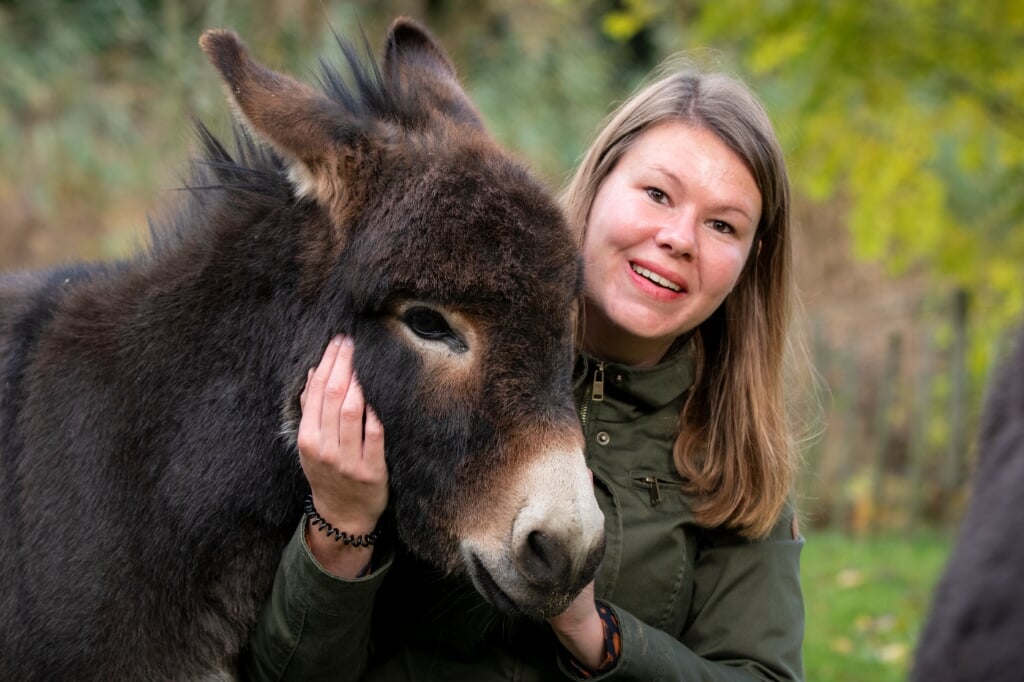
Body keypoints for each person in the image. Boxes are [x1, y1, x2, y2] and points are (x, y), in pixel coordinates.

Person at [240, 58, 806, 681]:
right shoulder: (412, 358)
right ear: (598, 183)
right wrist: (341, 524)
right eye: (657, 194)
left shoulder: (735, 455)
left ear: (750, 260)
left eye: (722, 224)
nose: (679, 238)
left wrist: (599, 637)